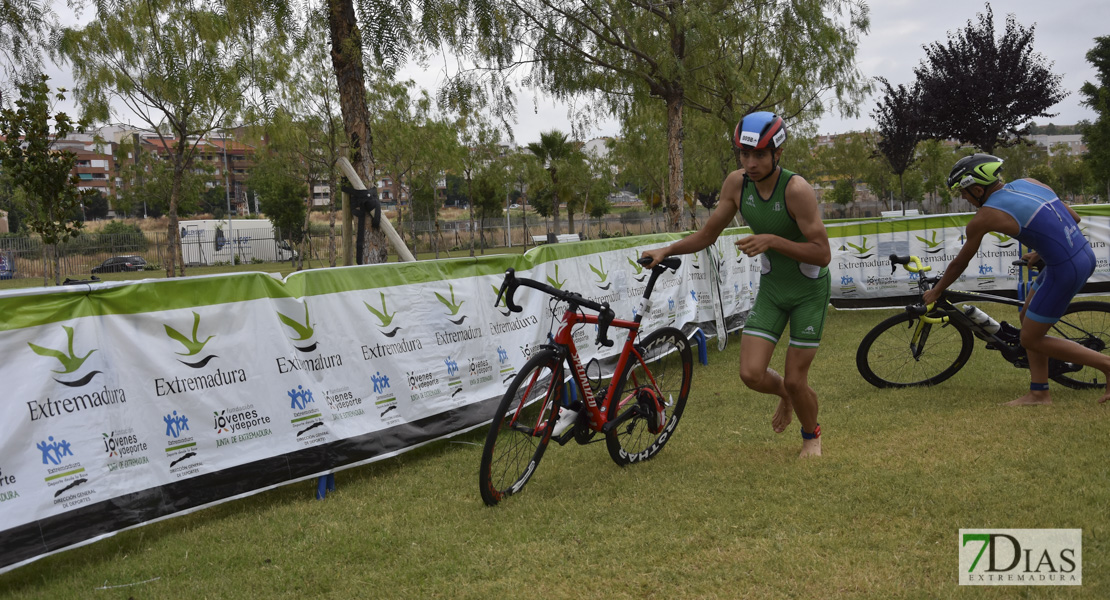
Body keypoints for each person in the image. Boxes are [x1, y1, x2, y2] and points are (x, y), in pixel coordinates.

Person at [640, 112, 831, 458]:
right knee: (751, 374)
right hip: (774, 289)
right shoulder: (736, 184)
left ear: (778, 154)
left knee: (795, 377)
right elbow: (707, 235)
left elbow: (822, 254)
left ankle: (811, 436)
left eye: (759, 155)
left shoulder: (796, 189)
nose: (751, 163)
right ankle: (786, 396)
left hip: (808, 292)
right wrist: (666, 249)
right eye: (744, 155)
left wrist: (772, 239)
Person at [922, 153, 1110, 406]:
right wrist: (1043, 250)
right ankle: (1039, 393)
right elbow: (1073, 219)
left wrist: (936, 290)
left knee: (1030, 338)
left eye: (964, 193)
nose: (964, 198)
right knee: (1026, 321)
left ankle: (1107, 366)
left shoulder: (985, 216)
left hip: (1065, 269)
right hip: (1080, 256)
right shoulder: (1031, 182)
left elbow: (960, 262)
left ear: (978, 189)